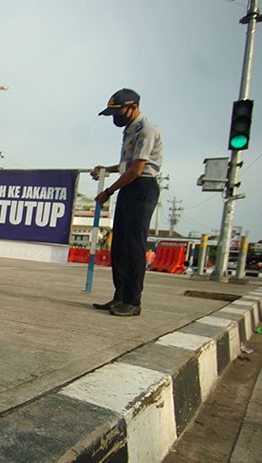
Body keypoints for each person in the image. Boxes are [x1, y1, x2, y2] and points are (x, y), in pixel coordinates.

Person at [92, 88, 163, 317]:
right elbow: (126, 165)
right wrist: (108, 169)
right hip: (129, 186)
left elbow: (137, 169)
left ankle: (133, 301)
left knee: (134, 246)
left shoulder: (146, 131)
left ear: (133, 107)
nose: (115, 118)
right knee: (119, 245)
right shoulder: (130, 129)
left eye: (118, 112)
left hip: (142, 188)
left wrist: (108, 191)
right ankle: (120, 296)